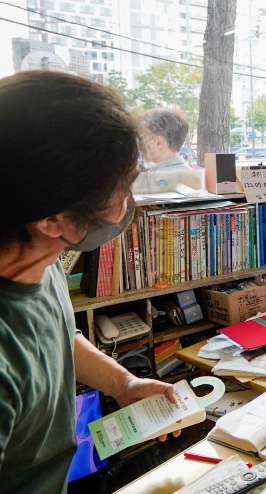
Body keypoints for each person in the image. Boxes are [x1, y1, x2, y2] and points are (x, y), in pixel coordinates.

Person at [0, 71, 180, 493]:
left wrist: (124, 384)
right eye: (122, 186)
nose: (127, 201)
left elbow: (54, 335)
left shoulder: (38, 258)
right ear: (53, 219)